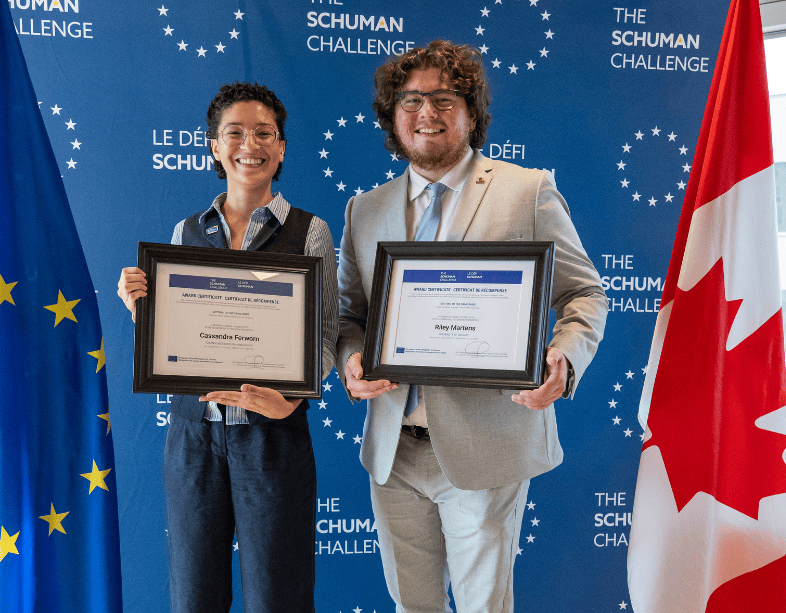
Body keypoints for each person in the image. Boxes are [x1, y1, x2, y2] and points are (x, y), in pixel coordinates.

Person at [336, 40, 608, 612]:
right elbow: (349, 315)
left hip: (487, 446)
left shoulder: (526, 191)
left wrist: (563, 359)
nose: (426, 112)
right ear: (391, 116)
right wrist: (350, 360)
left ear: (471, 110)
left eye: (442, 97)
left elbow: (584, 293)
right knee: (412, 605)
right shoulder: (365, 209)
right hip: (394, 452)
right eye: (409, 100)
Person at [117, 82, 338, 613]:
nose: (250, 144)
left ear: (282, 147)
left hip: (273, 438)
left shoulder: (310, 232)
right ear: (215, 147)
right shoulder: (186, 231)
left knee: (277, 598)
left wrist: (294, 399)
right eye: (234, 132)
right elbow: (169, 344)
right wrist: (139, 314)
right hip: (194, 441)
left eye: (265, 133)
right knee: (193, 597)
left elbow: (327, 335)